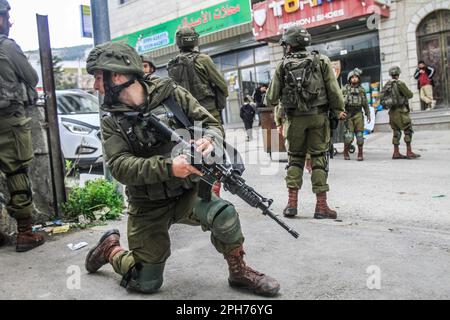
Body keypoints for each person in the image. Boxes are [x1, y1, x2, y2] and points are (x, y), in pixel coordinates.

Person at [84, 42, 280, 297]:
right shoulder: (112, 121)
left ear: (117, 76)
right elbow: (120, 167)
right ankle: (110, 249)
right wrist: (169, 167)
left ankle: (239, 271)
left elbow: (210, 124)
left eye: (98, 78)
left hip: (186, 193)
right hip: (148, 204)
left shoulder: (170, 94)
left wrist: (209, 140)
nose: (95, 86)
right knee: (146, 283)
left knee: (224, 214)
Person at [266, 26, 346, 219]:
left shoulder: (282, 64)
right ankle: (321, 207)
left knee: (295, 159)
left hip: (294, 120)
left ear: (290, 45)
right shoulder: (322, 60)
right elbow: (334, 91)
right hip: (319, 118)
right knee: (318, 158)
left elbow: (270, 98)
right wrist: (338, 110)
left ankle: (291, 205)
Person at [0, 0, 45, 252]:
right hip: (8, 120)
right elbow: (32, 76)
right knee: (16, 173)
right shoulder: (6, 46)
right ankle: (25, 233)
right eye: (7, 16)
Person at [168, 26, 228, 197]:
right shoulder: (204, 59)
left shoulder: (171, 65)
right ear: (195, 40)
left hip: (185, 118)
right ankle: (214, 199)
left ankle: (198, 199)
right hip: (208, 114)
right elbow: (222, 85)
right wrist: (219, 104)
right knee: (216, 155)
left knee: (194, 156)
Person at [381, 66, 421, 160]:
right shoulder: (400, 83)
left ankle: (396, 152)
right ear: (398, 74)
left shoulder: (387, 85)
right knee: (408, 130)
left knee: (396, 132)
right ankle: (409, 151)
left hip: (392, 112)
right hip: (402, 111)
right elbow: (409, 95)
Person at [342, 68, 371, 161]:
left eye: (356, 77)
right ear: (349, 79)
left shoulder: (361, 90)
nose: (354, 79)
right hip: (348, 114)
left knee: (359, 136)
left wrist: (368, 114)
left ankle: (360, 153)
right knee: (349, 136)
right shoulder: (345, 89)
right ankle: (345, 152)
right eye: (352, 77)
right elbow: (339, 102)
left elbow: (365, 103)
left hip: (358, 114)